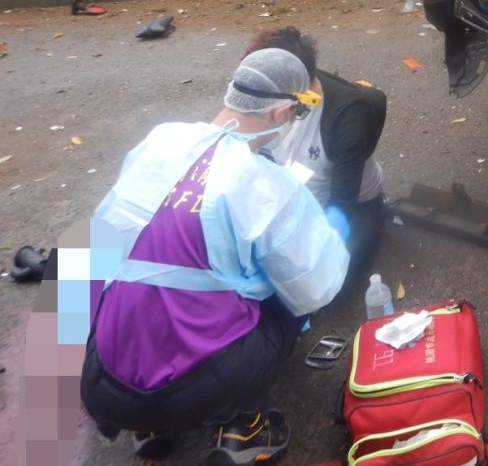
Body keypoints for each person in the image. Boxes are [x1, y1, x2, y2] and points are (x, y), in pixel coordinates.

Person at [81, 48, 350, 464]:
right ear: (282, 113)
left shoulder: (161, 139)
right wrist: (330, 235)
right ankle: (247, 430)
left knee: (138, 279)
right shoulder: (266, 184)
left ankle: (146, 426)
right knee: (286, 307)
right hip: (199, 389)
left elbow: (96, 246)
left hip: (103, 382)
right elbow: (314, 288)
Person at [243, 27, 388, 275]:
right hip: (293, 194)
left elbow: (342, 205)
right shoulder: (275, 97)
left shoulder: (349, 117)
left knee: (319, 282)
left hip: (353, 208)